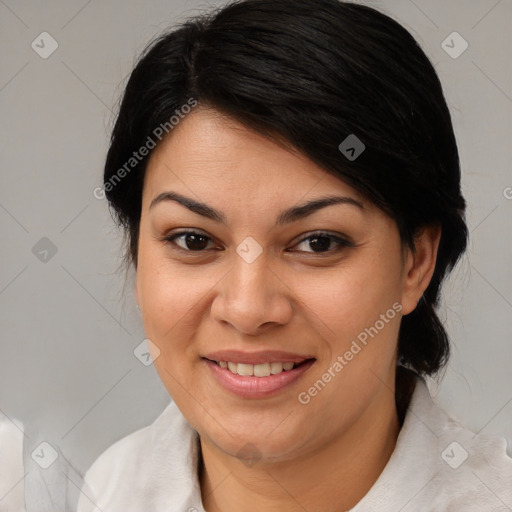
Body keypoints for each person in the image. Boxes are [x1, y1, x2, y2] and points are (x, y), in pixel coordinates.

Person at [77, 0, 512, 510]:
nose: (247, 309)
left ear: (416, 262)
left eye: (318, 242)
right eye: (194, 240)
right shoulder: (107, 490)